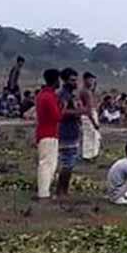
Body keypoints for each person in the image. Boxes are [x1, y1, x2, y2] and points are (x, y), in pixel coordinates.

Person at [35, 69, 62, 200]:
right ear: (55, 80)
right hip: (49, 133)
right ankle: (44, 193)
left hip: (44, 132)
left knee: (47, 163)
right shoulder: (49, 96)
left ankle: (44, 191)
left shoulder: (41, 95)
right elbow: (57, 116)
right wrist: (63, 106)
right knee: (47, 164)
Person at [56, 68, 84, 198]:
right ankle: (61, 191)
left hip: (72, 131)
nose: (75, 82)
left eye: (76, 80)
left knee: (70, 163)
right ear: (65, 81)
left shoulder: (70, 94)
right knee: (67, 163)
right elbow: (61, 112)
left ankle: (64, 190)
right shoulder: (64, 95)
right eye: (72, 80)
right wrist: (78, 112)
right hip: (66, 132)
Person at [79, 72, 101, 161]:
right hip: (88, 115)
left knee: (94, 135)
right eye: (90, 80)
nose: (91, 82)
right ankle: (88, 155)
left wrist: (95, 86)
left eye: (93, 80)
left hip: (90, 113)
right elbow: (88, 108)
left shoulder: (87, 91)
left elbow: (92, 93)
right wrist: (93, 121)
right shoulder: (85, 92)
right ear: (85, 80)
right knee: (90, 135)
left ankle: (92, 154)